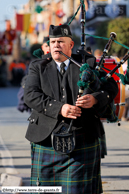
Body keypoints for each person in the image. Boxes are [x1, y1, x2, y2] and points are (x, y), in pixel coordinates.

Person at [24, 24, 118, 194]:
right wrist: (60, 109)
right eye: (52, 42)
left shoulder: (87, 63)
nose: (56, 45)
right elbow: (30, 95)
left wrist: (95, 99)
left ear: (71, 45)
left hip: (81, 139)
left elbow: (111, 87)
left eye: (60, 41)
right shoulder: (38, 66)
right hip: (46, 140)